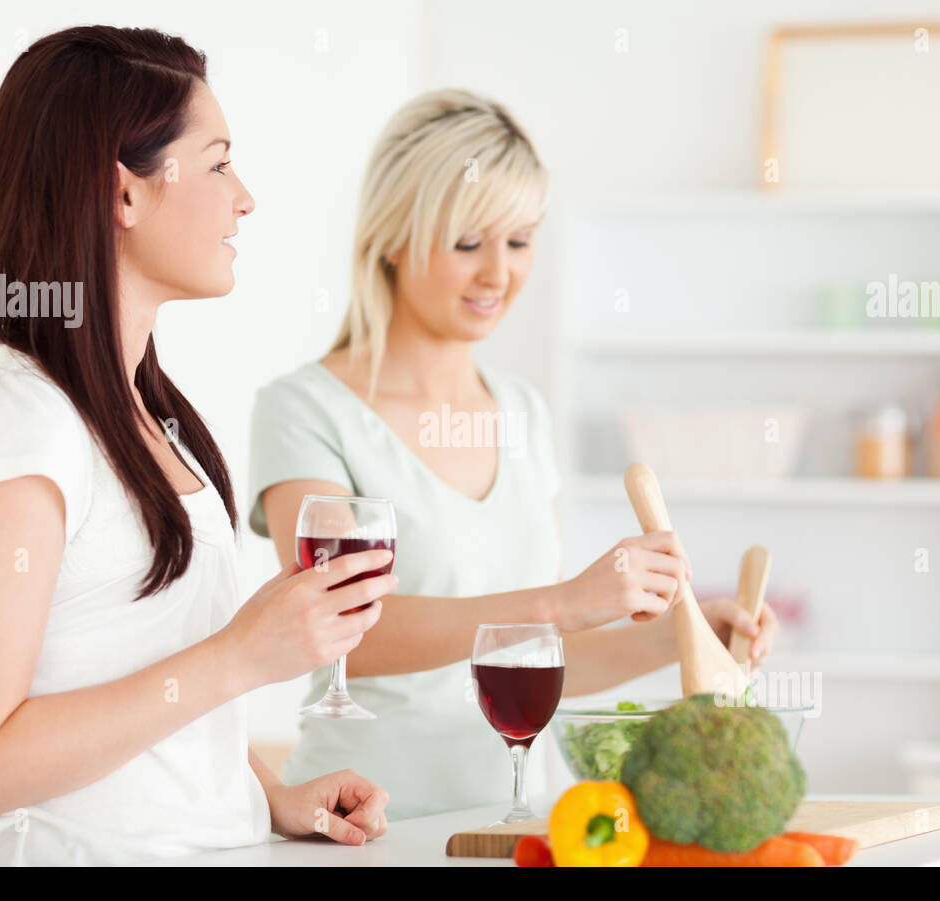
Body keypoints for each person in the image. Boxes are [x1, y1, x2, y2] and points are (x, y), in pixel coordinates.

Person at [0, 25, 393, 865]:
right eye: (217, 163)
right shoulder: (23, 426)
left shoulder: (143, 414)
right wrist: (242, 656)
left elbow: (131, 670)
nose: (245, 198)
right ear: (124, 194)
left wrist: (264, 795)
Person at [248, 89, 779, 821]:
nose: (499, 275)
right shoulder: (305, 409)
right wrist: (561, 604)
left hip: (528, 825)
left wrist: (679, 639)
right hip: (371, 825)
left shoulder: (522, 410)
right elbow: (336, 635)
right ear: (394, 238)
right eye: (469, 244)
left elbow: (539, 662)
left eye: (520, 241)